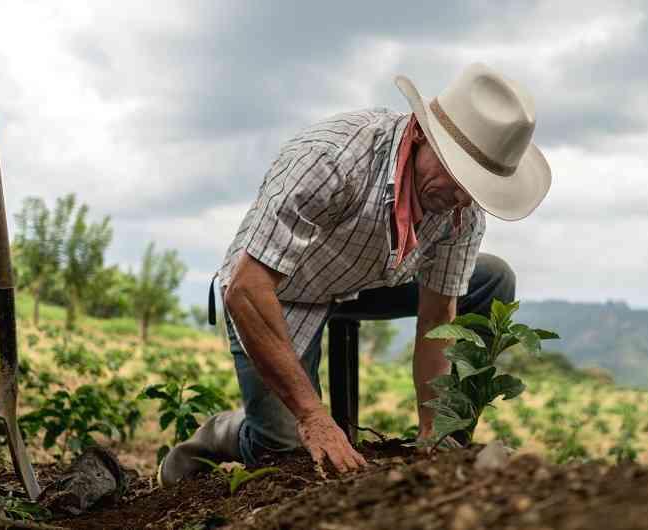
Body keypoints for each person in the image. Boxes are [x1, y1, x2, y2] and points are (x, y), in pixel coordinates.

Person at [159, 62, 551, 485]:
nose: (461, 199)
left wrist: (433, 433)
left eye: (474, 189)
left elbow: (438, 319)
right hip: (279, 289)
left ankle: (449, 447)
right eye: (457, 178)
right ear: (421, 135)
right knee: (285, 449)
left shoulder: (461, 210)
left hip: (367, 280)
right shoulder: (333, 159)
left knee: (493, 278)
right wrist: (312, 416)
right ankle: (222, 433)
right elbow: (247, 288)